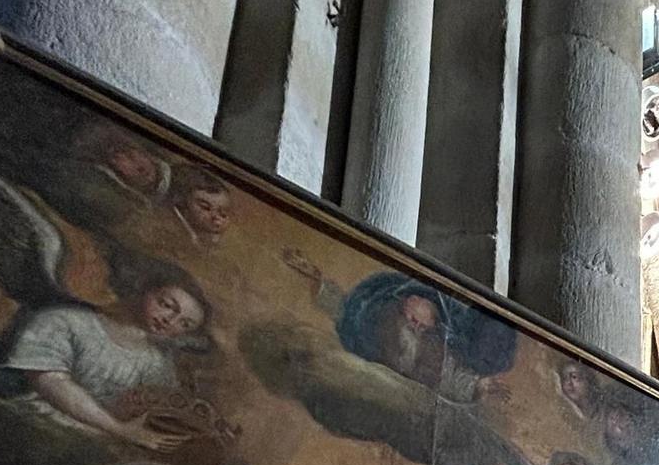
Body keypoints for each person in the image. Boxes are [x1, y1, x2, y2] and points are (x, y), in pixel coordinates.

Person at [280, 252, 516, 404]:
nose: (413, 323)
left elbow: (450, 375)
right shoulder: (377, 323)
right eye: (409, 317)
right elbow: (349, 314)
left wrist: (477, 386)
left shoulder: (441, 334)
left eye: (415, 320)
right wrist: (317, 281)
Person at [4, 278, 210, 452]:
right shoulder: (67, 321)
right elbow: (51, 382)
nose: (170, 320)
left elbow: (154, 413)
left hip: (96, 448)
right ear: (145, 293)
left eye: (185, 323)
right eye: (166, 305)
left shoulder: (159, 364)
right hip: (33, 427)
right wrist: (118, 429)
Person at [169, 164, 232, 246]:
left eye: (223, 214)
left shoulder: (213, 239)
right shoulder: (171, 228)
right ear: (183, 204)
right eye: (206, 208)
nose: (215, 217)